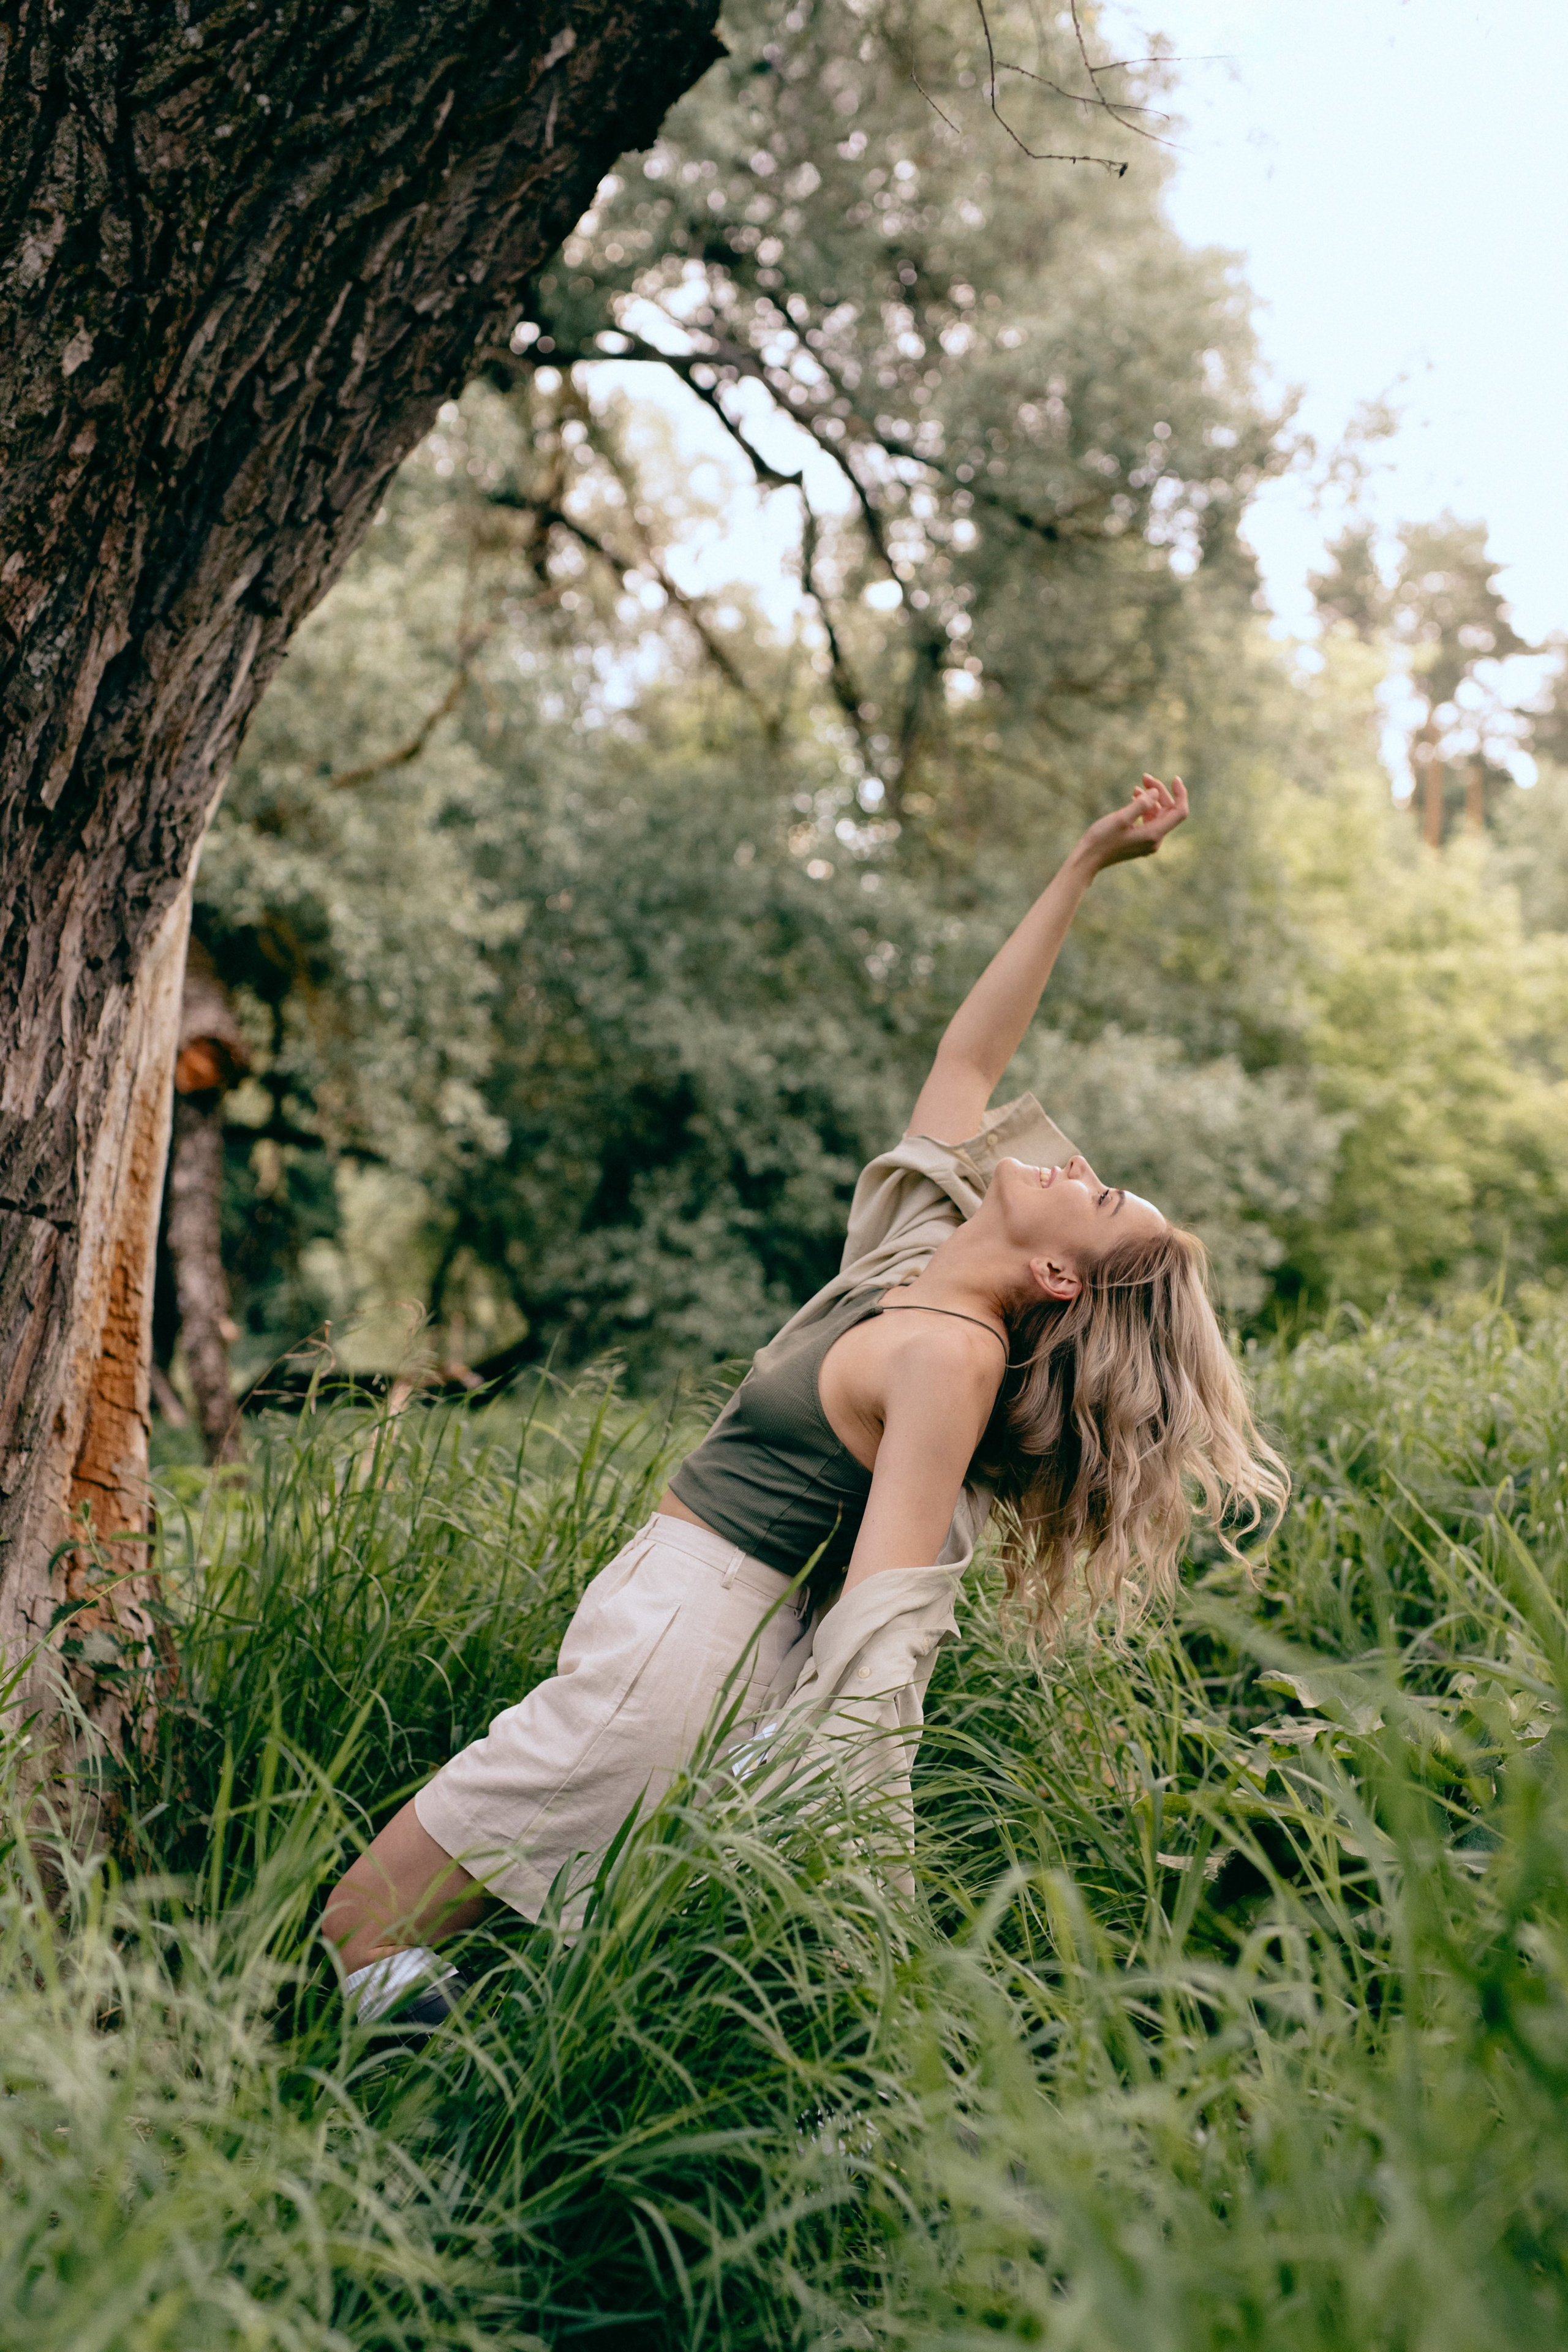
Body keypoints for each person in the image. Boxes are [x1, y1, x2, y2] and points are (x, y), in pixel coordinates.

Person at [323, 774, 1287, 2029]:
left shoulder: (951, 1353)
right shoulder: (911, 1274)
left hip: (684, 1651)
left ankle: (441, 2133)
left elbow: (884, 1611)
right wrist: (1084, 864)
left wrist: (852, 1818)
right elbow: (967, 1055)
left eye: (1099, 1197)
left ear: (1055, 1274)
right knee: (473, 1961)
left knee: (362, 1927)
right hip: (660, 1625)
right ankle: (465, 2111)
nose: (1073, 1162)